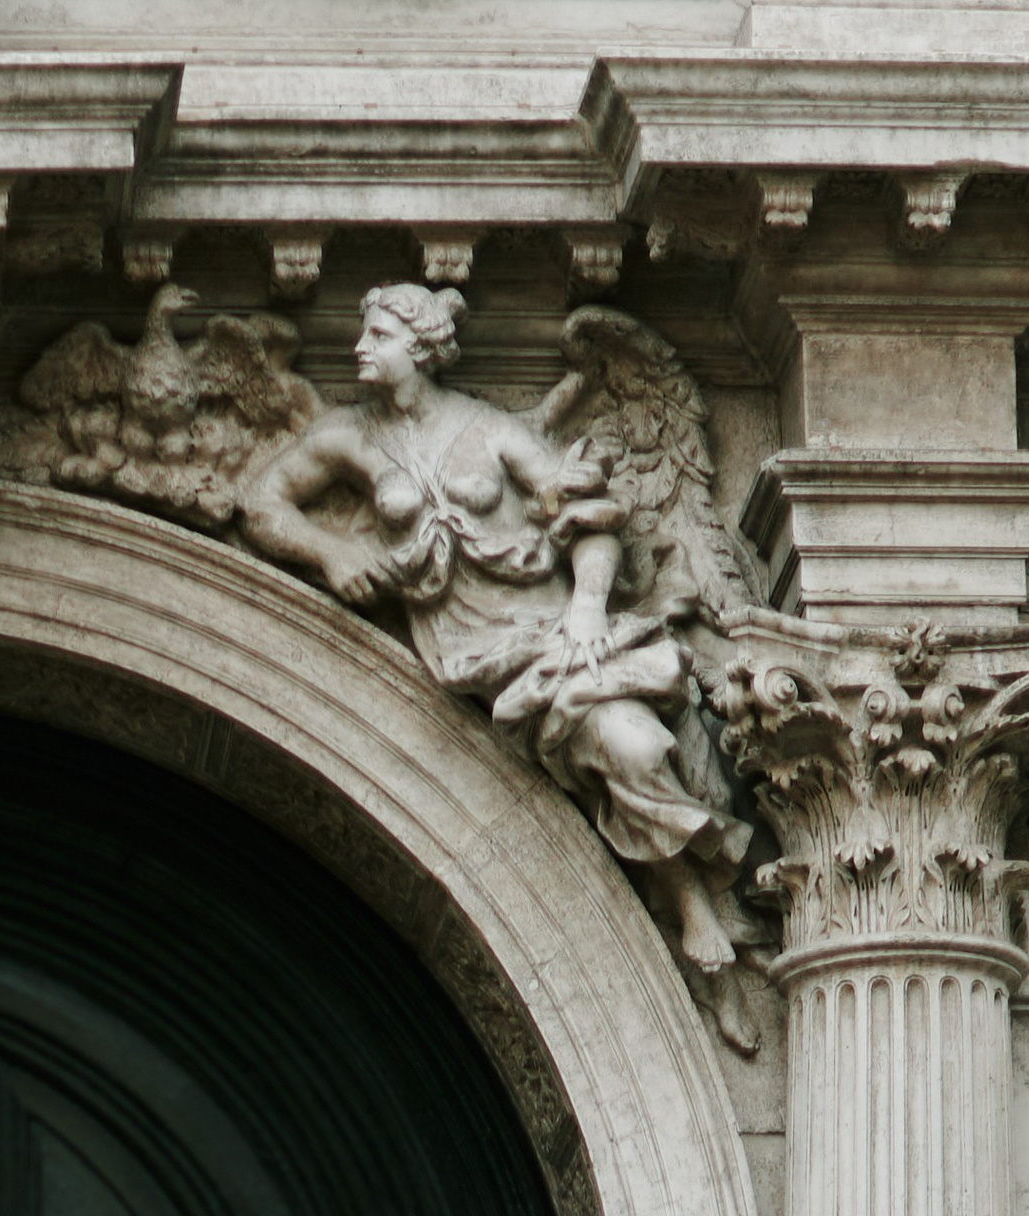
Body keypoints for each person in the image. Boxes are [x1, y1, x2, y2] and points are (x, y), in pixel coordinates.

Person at [239, 283, 750, 1000]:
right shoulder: (348, 438)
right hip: (469, 648)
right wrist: (331, 552)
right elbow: (259, 501)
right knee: (612, 745)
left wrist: (588, 613)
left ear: (420, 349)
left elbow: (591, 519)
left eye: (378, 335)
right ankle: (694, 905)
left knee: (630, 745)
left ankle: (695, 905)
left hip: (553, 631)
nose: (359, 348)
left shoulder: (492, 431)